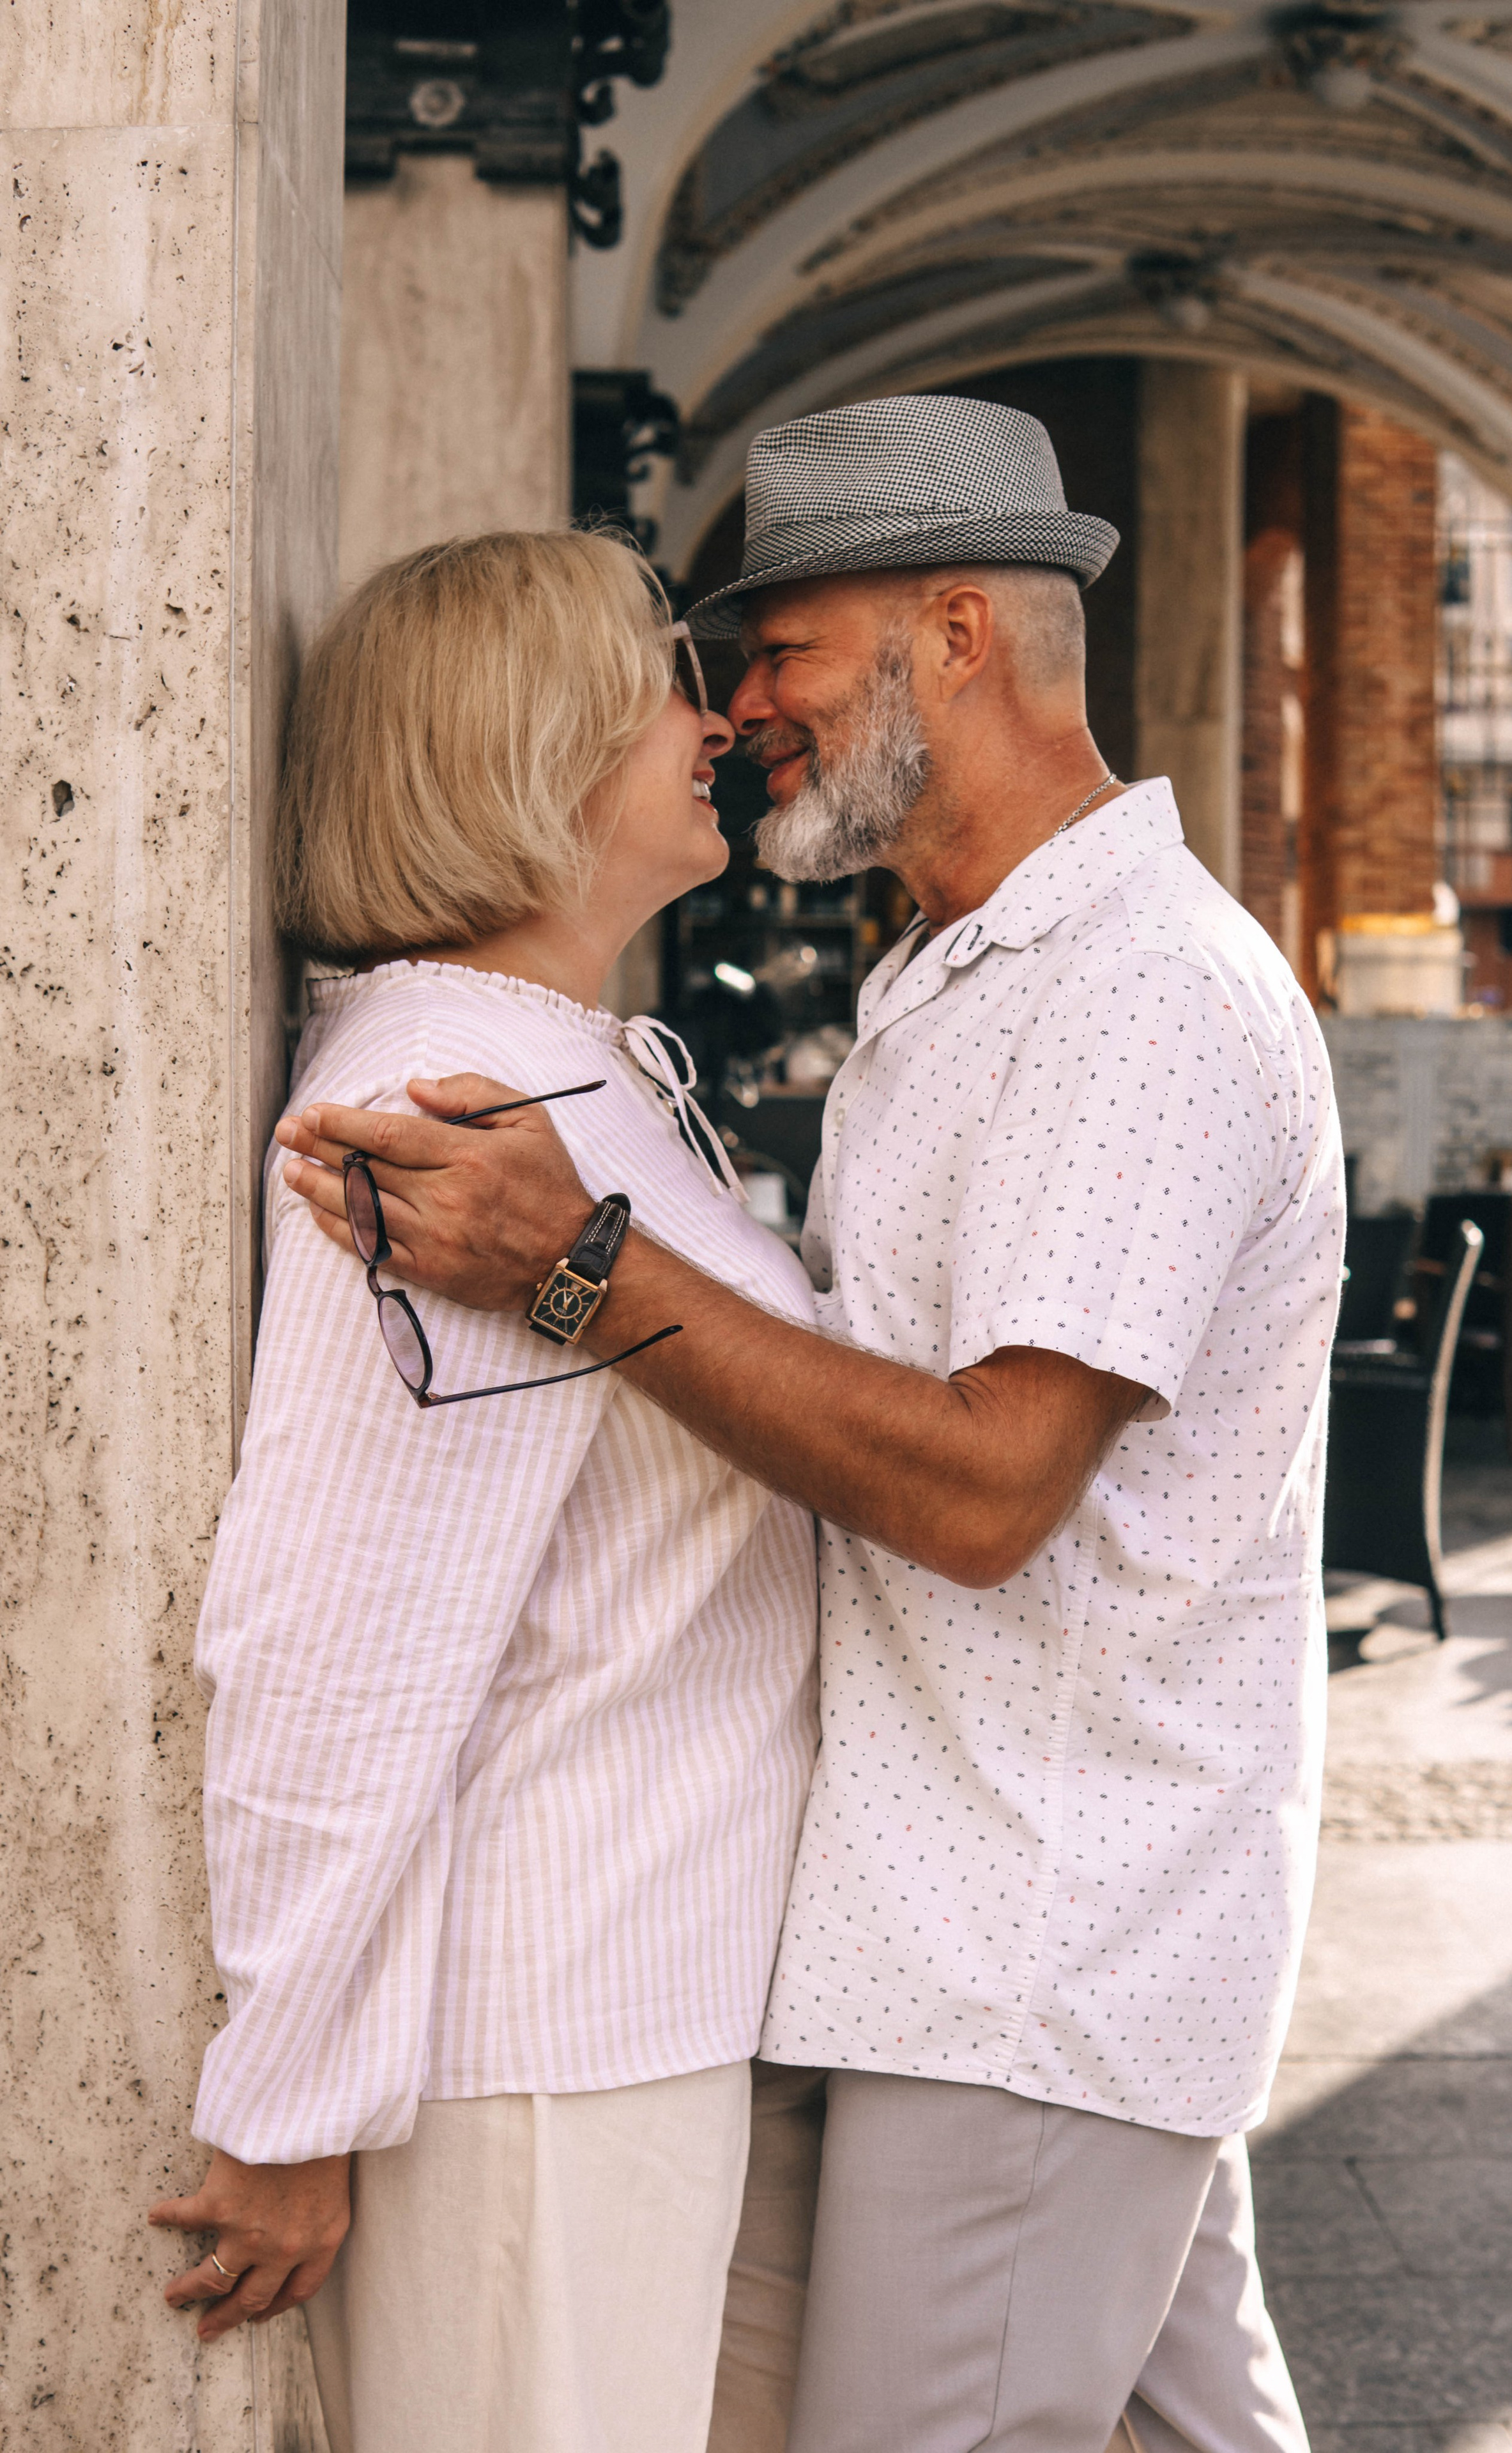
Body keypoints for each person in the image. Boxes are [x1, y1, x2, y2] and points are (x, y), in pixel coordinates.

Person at [277, 395, 1344, 2453]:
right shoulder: (962, 975)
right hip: (944, 1928)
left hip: (1034, 1942)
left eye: (786, 650)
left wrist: (581, 1263)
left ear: (957, 635)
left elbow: (983, 1489)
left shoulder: (1137, 992)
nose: (742, 704)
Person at [147, 529, 823, 2453]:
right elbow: (337, 1634)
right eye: (662, 679)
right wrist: (287, 2104)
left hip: (643, 2003)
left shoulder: (559, 1062)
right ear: (527, 736)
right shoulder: (446, 1098)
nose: (717, 718)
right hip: (536, 2043)